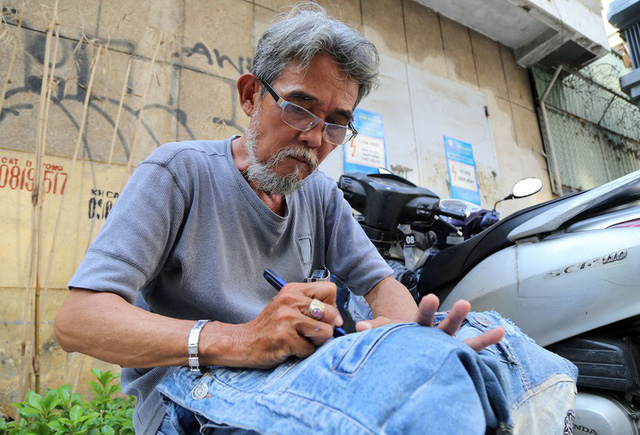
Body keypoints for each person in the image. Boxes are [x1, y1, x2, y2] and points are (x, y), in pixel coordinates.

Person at [54, 3, 577, 434]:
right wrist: (241, 340)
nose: (313, 138)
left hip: (289, 381)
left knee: (490, 337)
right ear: (250, 95)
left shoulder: (320, 196)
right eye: (300, 109)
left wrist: (401, 336)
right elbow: (78, 321)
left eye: (334, 124)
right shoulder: (180, 172)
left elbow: (380, 283)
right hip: (193, 395)